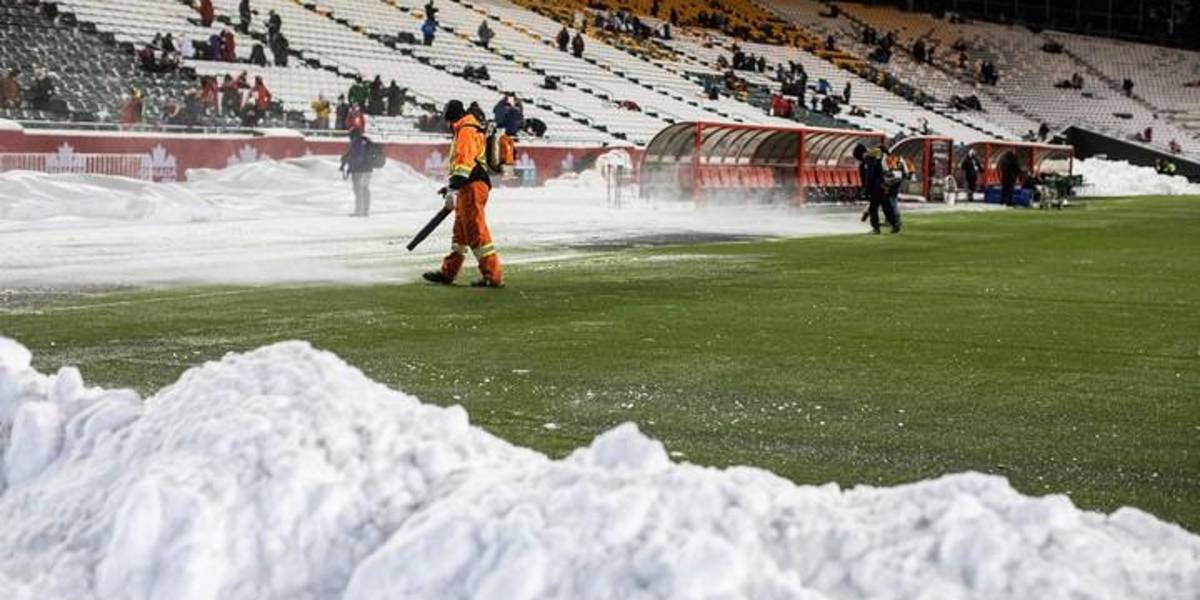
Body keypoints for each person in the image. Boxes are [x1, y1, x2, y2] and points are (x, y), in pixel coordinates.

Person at [423, 100, 503, 288]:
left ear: (451, 118)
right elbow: (463, 164)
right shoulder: (467, 126)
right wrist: (452, 186)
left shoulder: (466, 128)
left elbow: (464, 161)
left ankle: (493, 275)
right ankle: (448, 272)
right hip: (468, 185)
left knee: (476, 231)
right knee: (460, 234)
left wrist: (454, 186)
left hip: (473, 186)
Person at [854, 144, 899, 234]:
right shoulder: (875, 158)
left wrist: (866, 190)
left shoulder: (868, 161)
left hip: (875, 187)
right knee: (886, 206)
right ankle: (894, 224)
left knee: (873, 208)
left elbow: (869, 176)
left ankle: (876, 228)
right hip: (881, 186)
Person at [340, 127, 375, 217]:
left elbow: (358, 157)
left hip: (359, 170)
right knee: (365, 189)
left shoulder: (357, 143)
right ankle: (365, 211)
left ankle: (359, 211)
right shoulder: (366, 141)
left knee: (359, 190)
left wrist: (349, 163)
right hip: (369, 170)